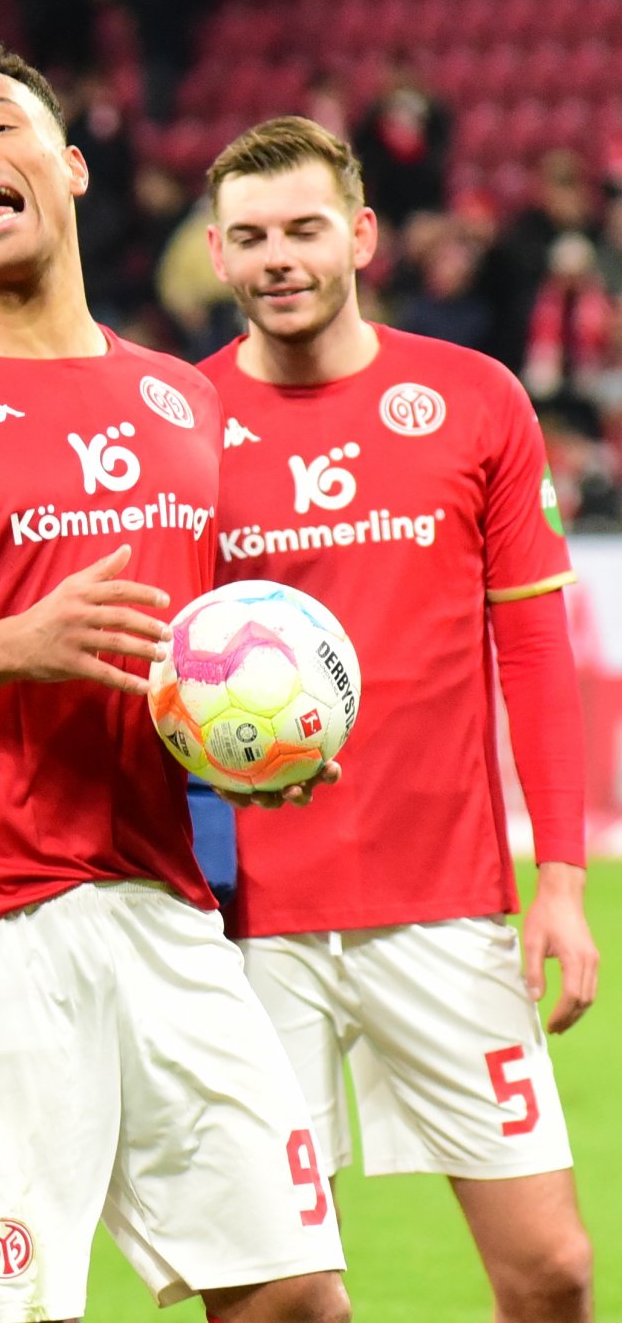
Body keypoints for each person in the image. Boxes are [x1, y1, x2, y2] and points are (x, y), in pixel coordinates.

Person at [0, 41, 350, 1323]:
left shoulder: (178, 402)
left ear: (72, 167)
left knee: (297, 1294)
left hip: (161, 905)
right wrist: (8, 646)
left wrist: (259, 747)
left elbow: (185, 661)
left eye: (0, 126)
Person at [200, 115, 599, 1323]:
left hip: (448, 908)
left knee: (554, 1270)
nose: (281, 257)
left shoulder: (472, 398)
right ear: (218, 254)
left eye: (305, 229)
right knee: (276, 1296)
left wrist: (565, 881)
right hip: (251, 928)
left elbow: (531, 644)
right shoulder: (175, 424)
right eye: (253, 236)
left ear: (360, 235)